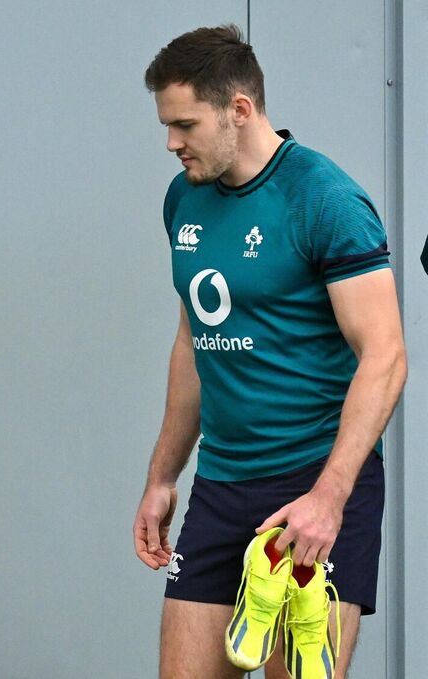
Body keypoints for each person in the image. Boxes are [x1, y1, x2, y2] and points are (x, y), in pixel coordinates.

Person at [132, 25, 406, 678]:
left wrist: (330, 497)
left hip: (317, 485)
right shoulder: (184, 199)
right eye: (166, 125)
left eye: (184, 124)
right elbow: (193, 340)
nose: (171, 142)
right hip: (222, 487)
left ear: (240, 110)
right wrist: (163, 476)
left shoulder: (328, 201)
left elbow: (386, 355)